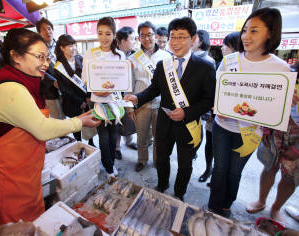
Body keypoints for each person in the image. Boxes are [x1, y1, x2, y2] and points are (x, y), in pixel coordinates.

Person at [0, 28, 100, 235]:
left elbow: (33, 121)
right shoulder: (9, 87)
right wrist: (79, 122)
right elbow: (41, 129)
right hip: (2, 183)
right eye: (39, 57)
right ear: (16, 56)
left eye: (47, 57)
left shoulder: (24, 82)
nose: (45, 63)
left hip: (21, 178)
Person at [208, 8, 294, 218]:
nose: (246, 36)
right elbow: (218, 93)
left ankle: (227, 205)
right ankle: (213, 206)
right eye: (245, 30)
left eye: (254, 30)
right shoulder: (229, 61)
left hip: (250, 133)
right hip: (222, 127)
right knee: (219, 169)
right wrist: (218, 107)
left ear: (271, 33)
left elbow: (276, 108)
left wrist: (285, 102)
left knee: (234, 172)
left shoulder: (281, 69)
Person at [125, 17, 215, 201]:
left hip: (188, 125)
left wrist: (187, 112)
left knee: (184, 164)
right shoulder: (163, 65)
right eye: (173, 36)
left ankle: (179, 192)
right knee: (162, 158)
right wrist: (138, 97)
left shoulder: (205, 67)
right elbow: (154, 89)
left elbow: (208, 100)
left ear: (193, 38)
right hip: (164, 122)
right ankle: (162, 184)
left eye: (182, 37)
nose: (175, 42)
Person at [246, 61, 299, 222]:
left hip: (297, 138)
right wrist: (267, 129)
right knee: (269, 166)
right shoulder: (288, 73)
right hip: (276, 130)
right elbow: (268, 100)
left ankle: (276, 208)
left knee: (290, 176)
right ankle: (261, 201)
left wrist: (297, 149)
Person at [82, 17, 126, 178]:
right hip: (98, 100)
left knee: (114, 135)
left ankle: (111, 163)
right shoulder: (90, 53)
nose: (104, 37)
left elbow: (123, 79)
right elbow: (85, 79)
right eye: (100, 33)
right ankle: (108, 168)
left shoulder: (120, 55)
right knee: (103, 137)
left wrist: (115, 88)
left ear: (114, 35)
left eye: (108, 33)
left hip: (115, 101)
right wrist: (96, 90)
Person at [127, 21, 171, 172]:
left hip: (161, 104)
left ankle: (157, 160)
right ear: (139, 38)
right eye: (143, 35)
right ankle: (142, 159)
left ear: (156, 35)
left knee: (159, 137)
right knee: (141, 137)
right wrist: (129, 108)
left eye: (149, 34)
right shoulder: (133, 58)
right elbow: (129, 85)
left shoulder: (166, 56)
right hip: (141, 105)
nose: (146, 38)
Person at [53, 34, 94, 146]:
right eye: (70, 46)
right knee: (76, 126)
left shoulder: (80, 59)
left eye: (74, 45)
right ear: (62, 48)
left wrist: (88, 97)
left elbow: (88, 79)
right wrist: (80, 102)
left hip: (86, 99)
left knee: (89, 122)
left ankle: (91, 142)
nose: (73, 48)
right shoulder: (59, 67)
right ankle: (79, 143)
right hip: (72, 102)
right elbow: (65, 90)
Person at [192, 29, 216, 183]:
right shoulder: (188, 57)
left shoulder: (208, 61)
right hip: (191, 105)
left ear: (201, 41)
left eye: (194, 38)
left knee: (204, 138)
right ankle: (193, 153)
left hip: (203, 106)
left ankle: (208, 169)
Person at [115, 26, 138, 160]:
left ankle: (129, 141)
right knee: (119, 119)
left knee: (130, 119)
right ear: (122, 41)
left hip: (131, 92)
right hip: (117, 94)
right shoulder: (114, 55)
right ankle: (117, 147)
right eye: (131, 39)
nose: (134, 41)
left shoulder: (135, 54)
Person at [35, 17, 62, 119]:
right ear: (39, 33)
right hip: (49, 89)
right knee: (56, 117)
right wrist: (52, 81)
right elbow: (37, 69)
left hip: (62, 86)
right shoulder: (37, 49)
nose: (48, 31)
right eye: (44, 29)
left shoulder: (59, 45)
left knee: (66, 114)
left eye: (49, 28)